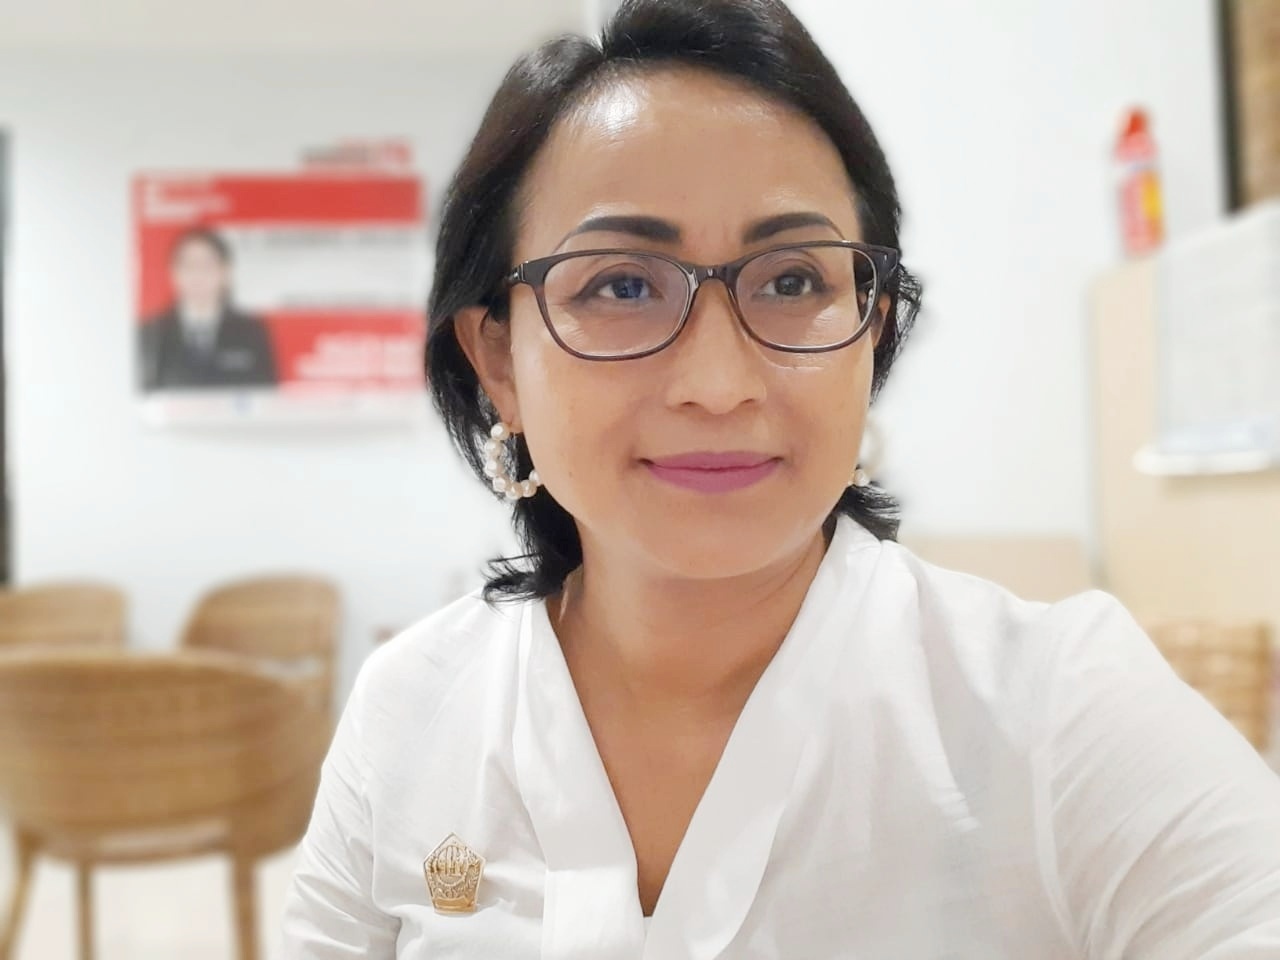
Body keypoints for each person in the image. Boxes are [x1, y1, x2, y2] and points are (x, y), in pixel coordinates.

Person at [282, 0, 1280, 956]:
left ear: (872, 328)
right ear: (498, 357)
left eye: (793, 280)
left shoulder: (1057, 707)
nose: (719, 384)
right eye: (621, 285)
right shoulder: (409, 710)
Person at [139, 227, 277, 390]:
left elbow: (266, 394)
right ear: (173, 273)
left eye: (207, 265)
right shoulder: (149, 333)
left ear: (225, 272)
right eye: (189, 265)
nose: (197, 274)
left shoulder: (252, 332)